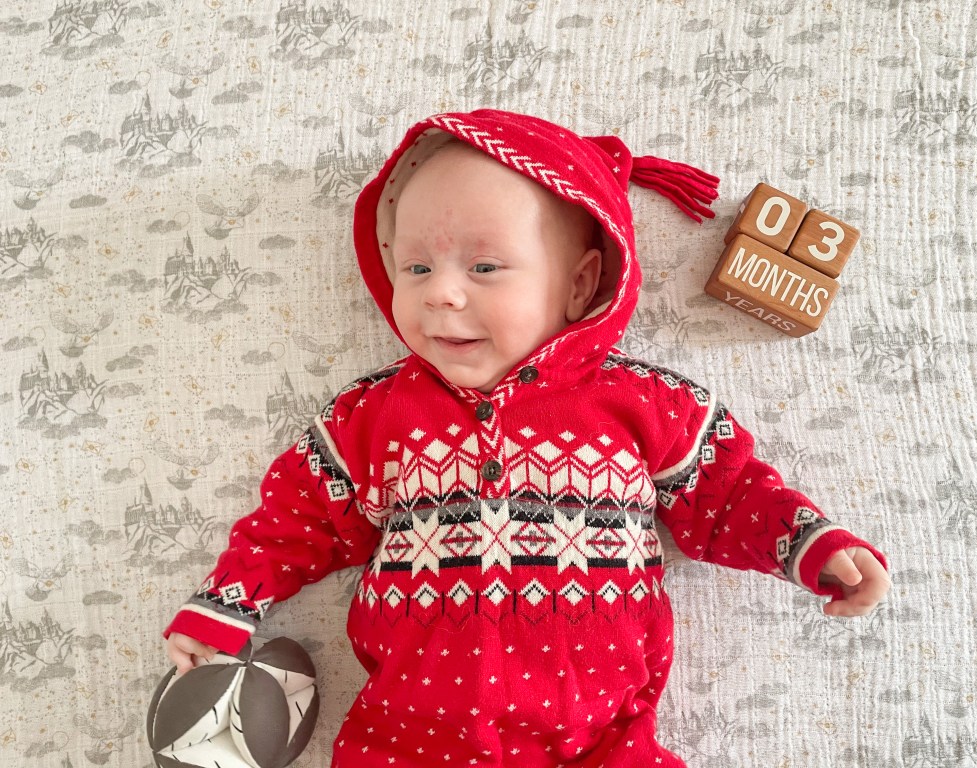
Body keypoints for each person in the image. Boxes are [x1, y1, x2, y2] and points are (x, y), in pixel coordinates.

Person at [164, 109, 890, 767]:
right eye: (416, 268)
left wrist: (807, 544)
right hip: (410, 735)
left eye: (484, 267)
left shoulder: (645, 402)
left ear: (579, 285)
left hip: (601, 737)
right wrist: (228, 603)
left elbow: (728, 494)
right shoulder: (374, 414)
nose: (441, 292)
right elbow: (298, 518)